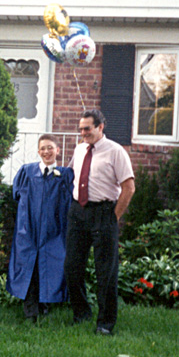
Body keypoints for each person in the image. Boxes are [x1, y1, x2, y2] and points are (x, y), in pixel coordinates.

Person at [64, 109, 135, 335]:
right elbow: (71, 175)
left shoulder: (116, 152)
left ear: (100, 127)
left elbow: (129, 188)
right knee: (72, 267)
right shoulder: (79, 148)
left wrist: (112, 218)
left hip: (104, 213)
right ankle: (81, 312)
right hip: (78, 213)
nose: (83, 133)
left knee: (106, 272)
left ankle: (105, 324)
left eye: (87, 128)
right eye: (81, 129)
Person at [7, 134, 74, 322]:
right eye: (43, 148)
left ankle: (44, 305)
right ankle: (30, 311)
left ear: (58, 150)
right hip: (29, 230)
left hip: (54, 232)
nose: (46, 151)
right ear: (38, 151)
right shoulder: (27, 172)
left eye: (50, 147)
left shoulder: (65, 175)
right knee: (28, 266)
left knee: (49, 266)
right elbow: (16, 196)